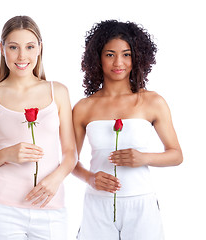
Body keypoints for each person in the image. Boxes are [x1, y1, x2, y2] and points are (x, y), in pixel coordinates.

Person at [72, 20, 183, 240]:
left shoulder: (152, 101)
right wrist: (89, 178)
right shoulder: (83, 107)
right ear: (98, 57)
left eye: (127, 54)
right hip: (98, 203)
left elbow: (176, 155)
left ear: (137, 57)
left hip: (142, 204)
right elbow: (68, 160)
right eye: (110, 54)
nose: (118, 62)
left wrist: (143, 157)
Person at [0, 15, 77, 240]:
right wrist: (8, 154)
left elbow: (71, 153)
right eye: (13, 47)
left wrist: (56, 179)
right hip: (2, 209)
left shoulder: (58, 92)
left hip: (51, 208)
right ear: (2, 49)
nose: (22, 56)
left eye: (30, 47)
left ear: (40, 48)